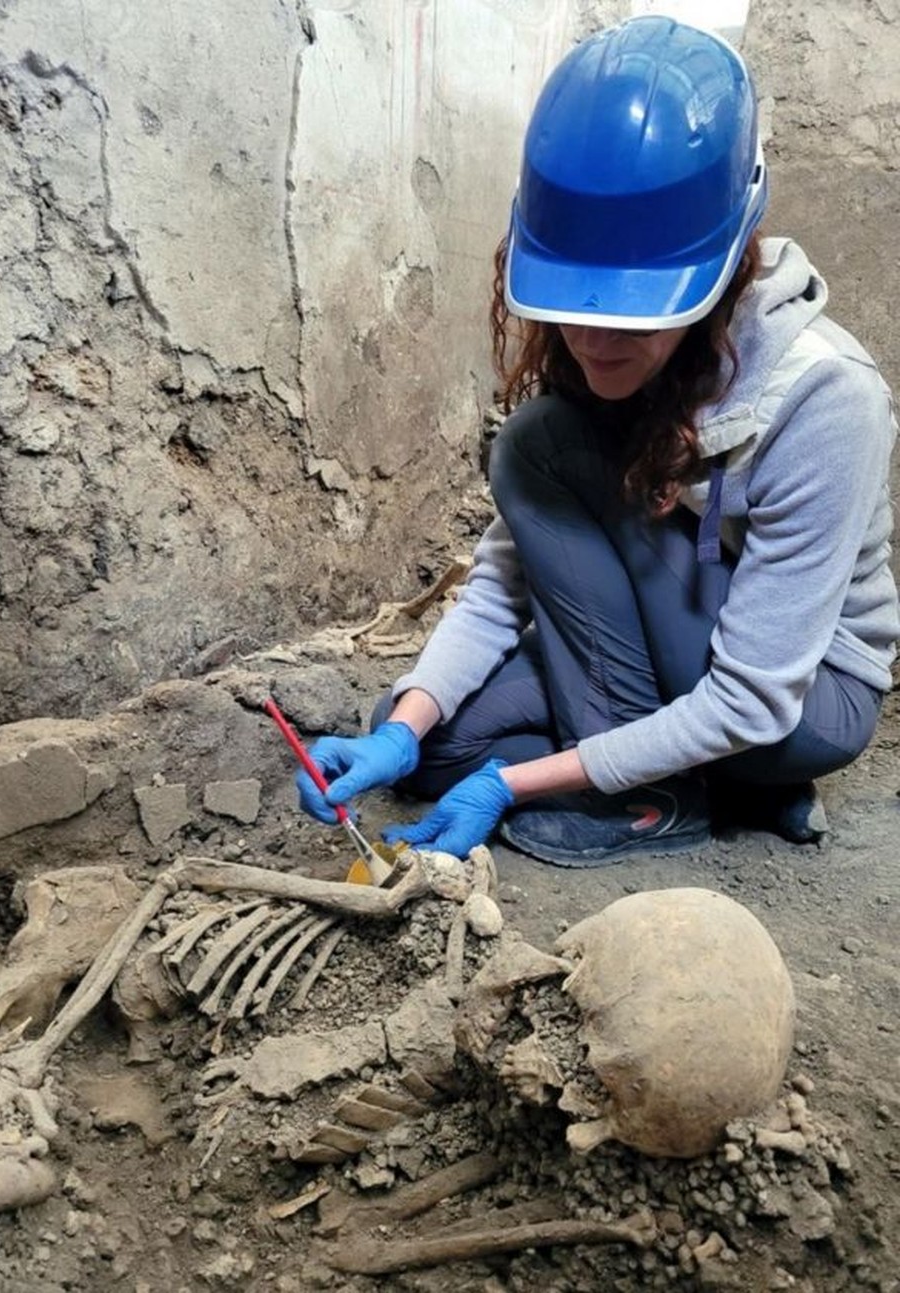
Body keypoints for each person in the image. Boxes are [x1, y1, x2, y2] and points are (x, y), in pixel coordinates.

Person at [297, 15, 899, 867]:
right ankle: (702, 782)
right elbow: (511, 569)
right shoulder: (611, 363)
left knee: (533, 444)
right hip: (670, 644)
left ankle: (665, 796)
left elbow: (753, 700)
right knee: (439, 753)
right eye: (574, 305)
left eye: (627, 313)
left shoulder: (828, 396)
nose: (590, 339)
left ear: (723, 264)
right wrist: (404, 725)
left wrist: (515, 784)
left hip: (796, 701)